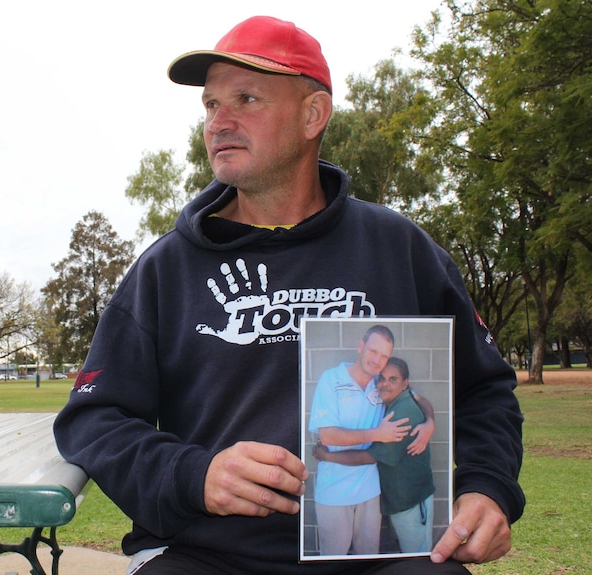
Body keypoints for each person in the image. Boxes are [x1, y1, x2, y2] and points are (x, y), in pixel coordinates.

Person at [54, 15, 524, 575]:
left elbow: (485, 391)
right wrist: (194, 475)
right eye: (210, 106)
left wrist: (487, 488)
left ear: (312, 115)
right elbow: (93, 418)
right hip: (204, 553)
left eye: (245, 99)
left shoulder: (400, 249)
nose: (219, 122)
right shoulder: (166, 268)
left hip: (378, 556)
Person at [308, 325, 428, 556]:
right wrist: (377, 433)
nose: (377, 360)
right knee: (333, 559)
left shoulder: (381, 383)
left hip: (370, 490)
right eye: (373, 351)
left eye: (384, 356)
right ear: (361, 346)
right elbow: (328, 435)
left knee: (368, 558)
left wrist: (430, 422)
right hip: (334, 490)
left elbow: (415, 397)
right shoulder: (331, 379)